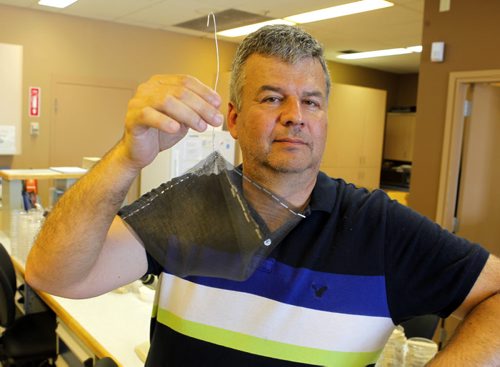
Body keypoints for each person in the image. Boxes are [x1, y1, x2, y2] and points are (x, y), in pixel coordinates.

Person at [25, 25, 499, 366]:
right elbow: (54, 274)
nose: (295, 115)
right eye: (272, 98)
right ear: (232, 118)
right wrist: (128, 156)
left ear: (325, 117)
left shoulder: (379, 227)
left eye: (310, 101)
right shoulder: (190, 207)